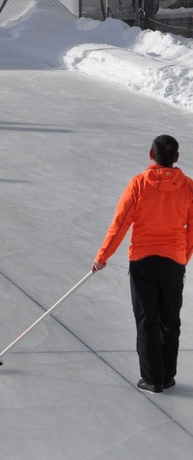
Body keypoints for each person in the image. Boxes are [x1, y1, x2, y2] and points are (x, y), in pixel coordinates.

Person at [92, 135, 193, 394]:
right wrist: (183, 256)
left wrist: (103, 257)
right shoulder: (189, 187)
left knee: (147, 319)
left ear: (151, 154)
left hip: (143, 260)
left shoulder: (138, 184)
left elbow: (121, 223)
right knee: (170, 319)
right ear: (176, 158)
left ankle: (153, 379)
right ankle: (167, 376)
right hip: (173, 260)